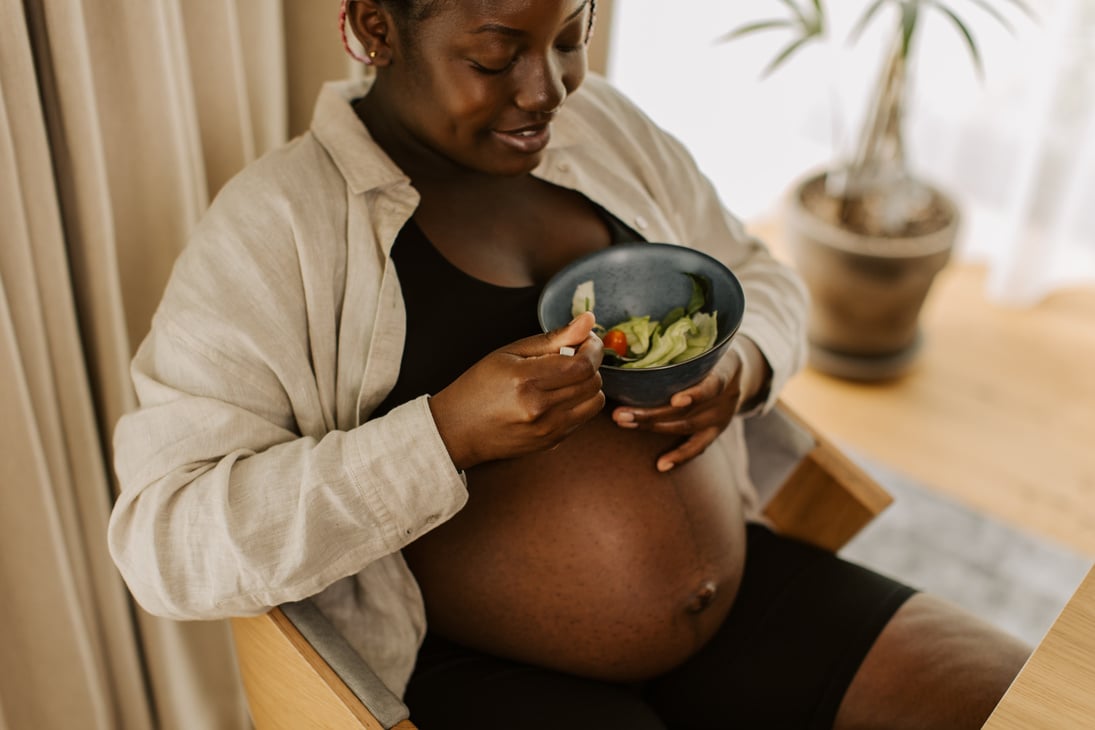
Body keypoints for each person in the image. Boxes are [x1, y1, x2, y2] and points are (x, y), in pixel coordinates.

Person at [107, 1, 1030, 727]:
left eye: (571, 38)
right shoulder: (277, 229)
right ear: (375, 28)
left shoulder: (602, 134)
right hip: (481, 673)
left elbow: (755, 273)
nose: (547, 91)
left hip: (743, 598)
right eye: (496, 53)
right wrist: (445, 436)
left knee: (1024, 701)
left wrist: (740, 366)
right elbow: (164, 540)